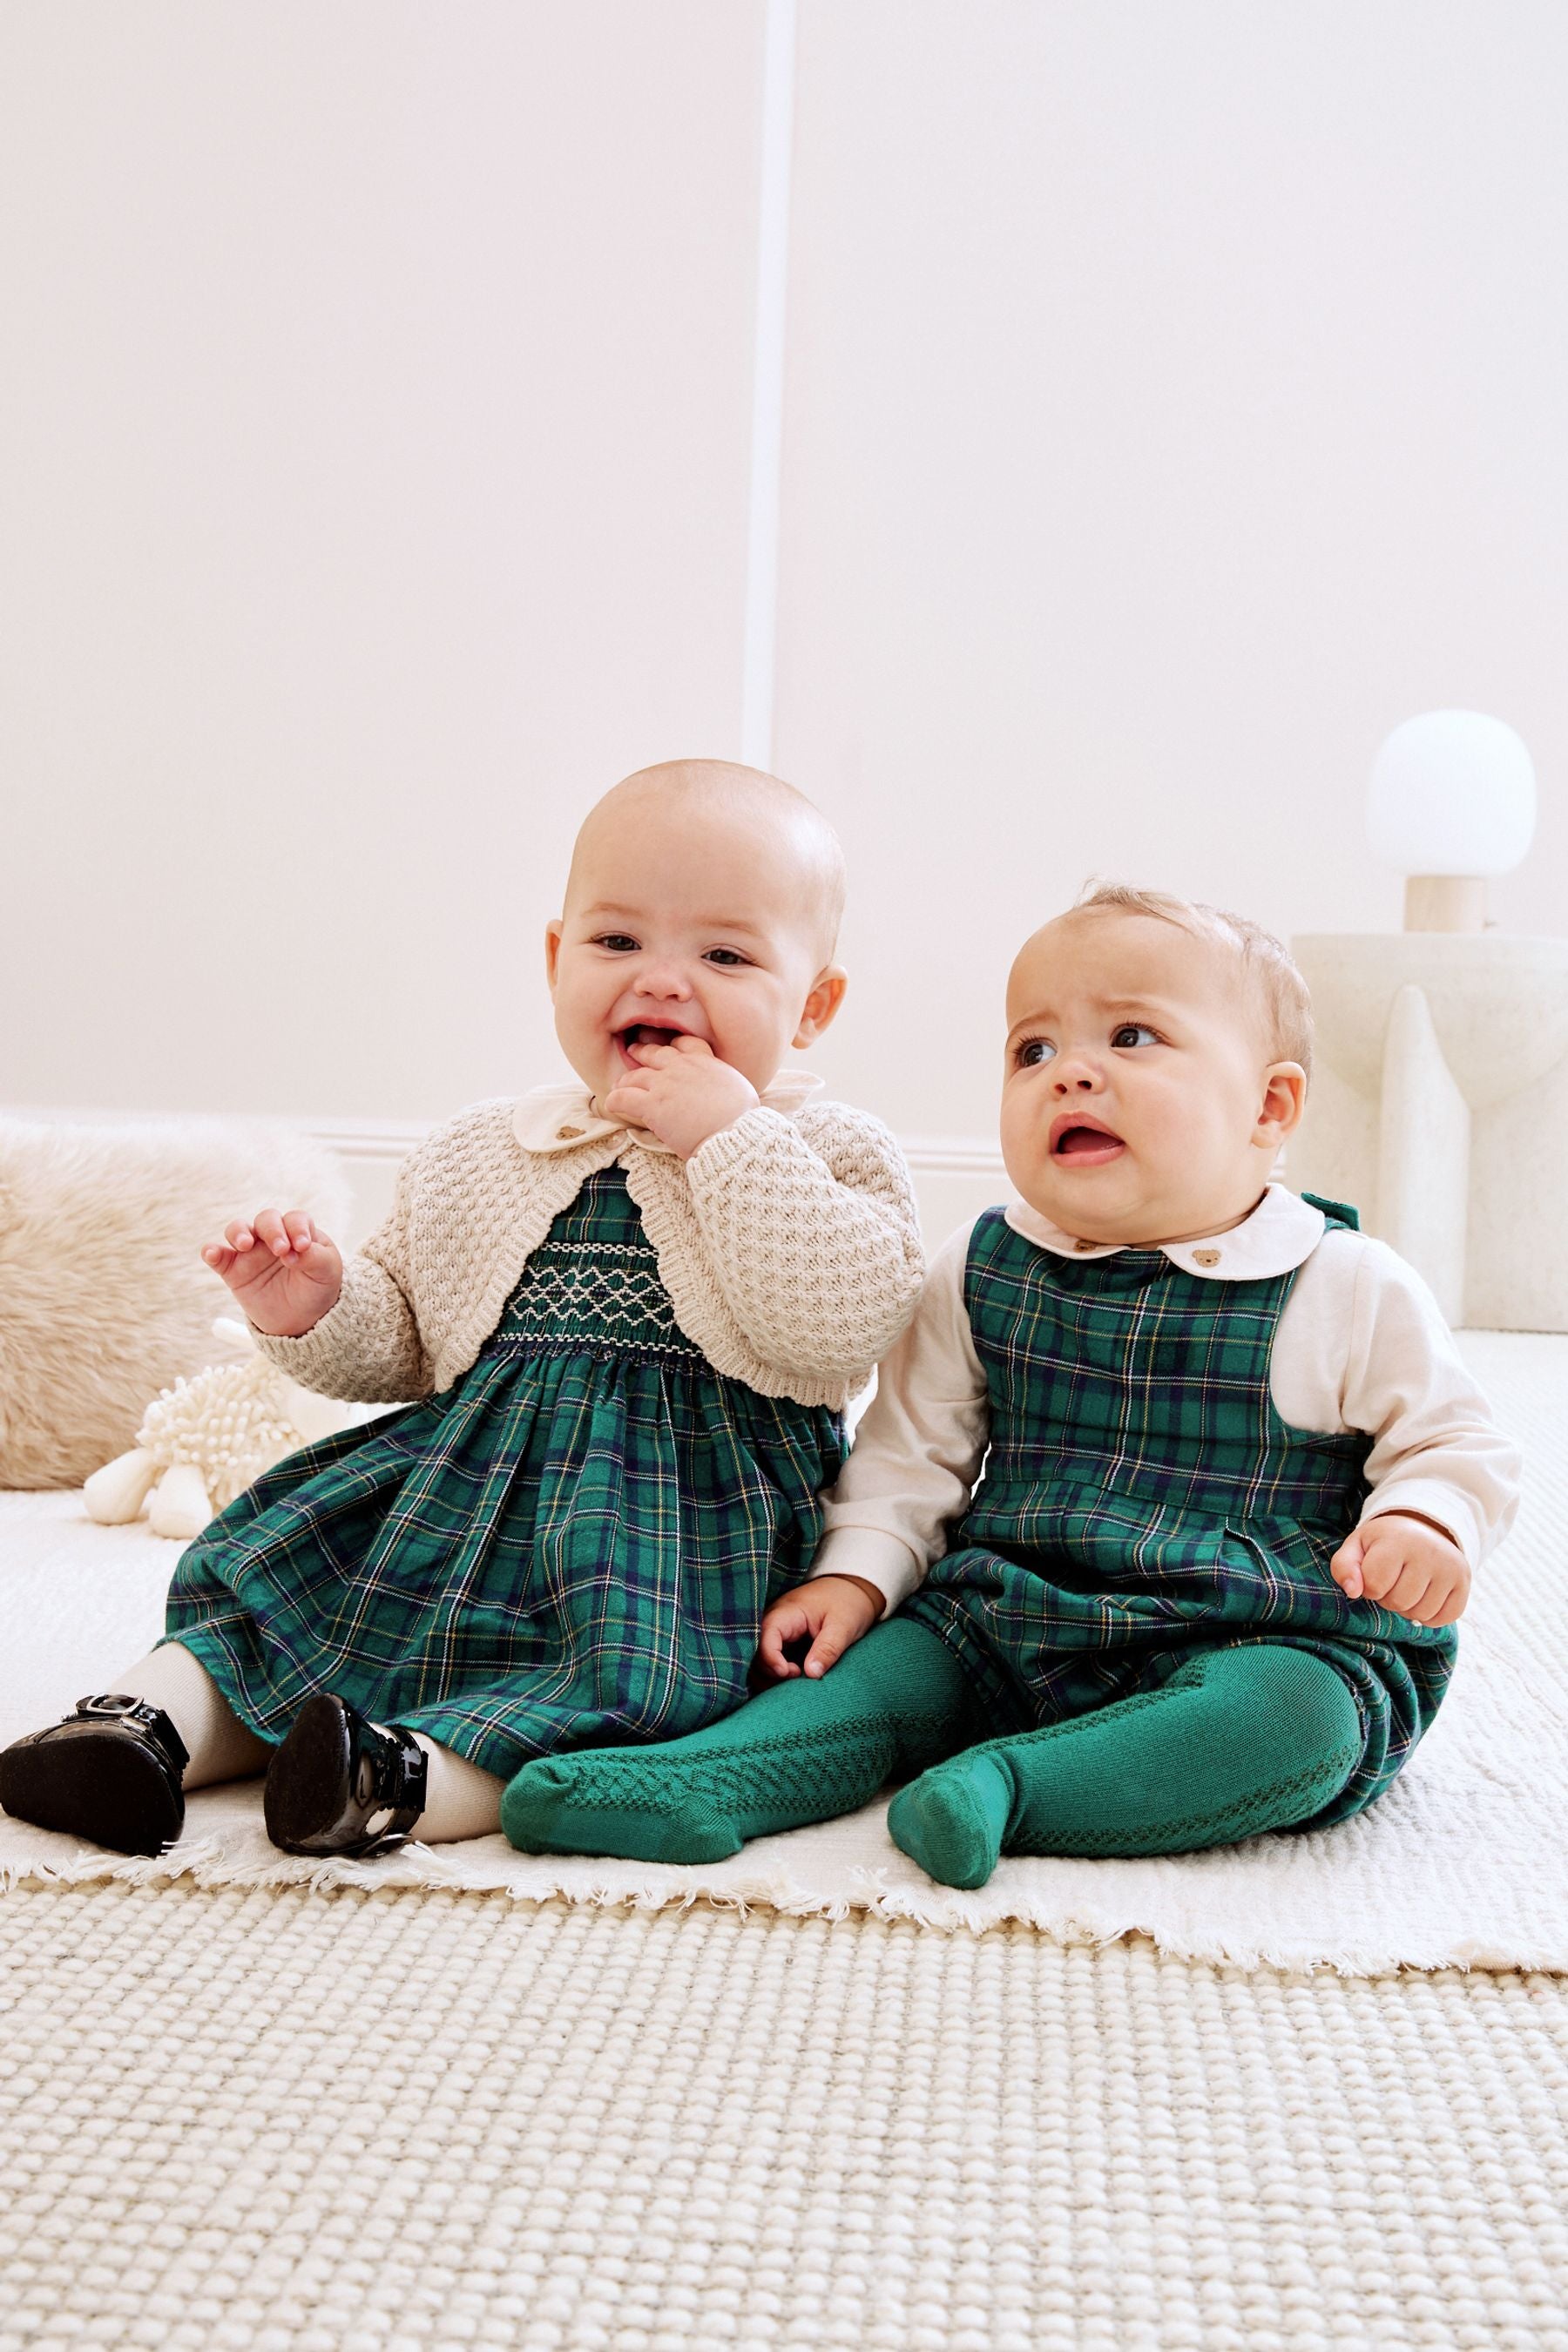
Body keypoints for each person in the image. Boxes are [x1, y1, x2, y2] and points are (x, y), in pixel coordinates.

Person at [502, 883, 1521, 1889]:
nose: (1070, 1074)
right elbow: (910, 1458)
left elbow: (1452, 1443)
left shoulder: (1342, 1281)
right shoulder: (984, 1264)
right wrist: (856, 1577)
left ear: (1269, 1105)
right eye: (1032, 1050)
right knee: (885, 1672)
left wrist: (1426, 1523)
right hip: (1013, 1612)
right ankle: (706, 1778)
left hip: (1258, 1622)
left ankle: (1016, 1787)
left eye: (1132, 1037)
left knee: (1299, 1722)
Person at [0, 760, 917, 1859]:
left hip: (677, 1509)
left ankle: (392, 1781)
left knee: (624, 1669)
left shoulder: (827, 1151)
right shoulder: (492, 1146)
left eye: (724, 956)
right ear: (554, 959)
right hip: (464, 1468)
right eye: (618, 943)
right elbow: (407, 1344)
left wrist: (725, 1136)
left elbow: (837, 1323)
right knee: (284, 1569)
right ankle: (143, 1730)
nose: (664, 983)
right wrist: (316, 1306)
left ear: (813, 1006)